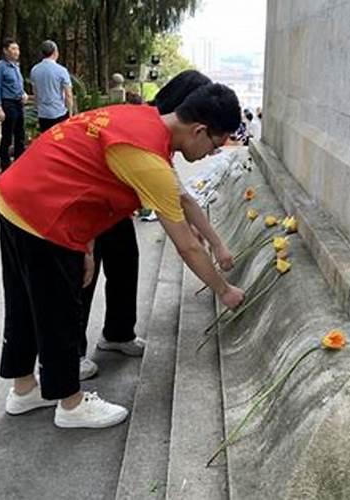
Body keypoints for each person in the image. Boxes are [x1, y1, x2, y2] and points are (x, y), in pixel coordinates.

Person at [0, 83, 245, 429]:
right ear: (199, 130)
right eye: (215, 144)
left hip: (17, 195)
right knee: (59, 308)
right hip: (45, 212)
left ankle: (23, 390)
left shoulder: (143, 121)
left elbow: (85, 171)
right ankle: (70, 403)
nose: (212, 153)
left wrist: (86, 245)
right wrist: (224, 290)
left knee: (23, 300)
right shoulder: (148, 160)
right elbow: (186, 245)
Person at [77, 70, 234, 381]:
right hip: (87, 207)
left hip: (115, 208)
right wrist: (223, 289)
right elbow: (184, 240)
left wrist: (215, 241)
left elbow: (182, 196)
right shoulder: (147, 130)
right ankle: (71, 354)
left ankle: (118, 332)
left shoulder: (168, 134)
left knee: (125, 260)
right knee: (83, 276)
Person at [0, 38, 27, 171]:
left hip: (18, 102)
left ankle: (20, 165)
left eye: (17, 49)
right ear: (5, 51)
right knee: (7, 135)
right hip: (7, 103)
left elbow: (18, 84)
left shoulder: (16, 66)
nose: (16, 52)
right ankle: (5, 166)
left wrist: (24, 93)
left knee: (20, 135)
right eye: (13, 49)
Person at [30, 40, 73, 133]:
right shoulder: (61, 70)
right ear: (55, 52)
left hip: (43, 113)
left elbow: (35, 93)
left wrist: (36, 110)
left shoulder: (35, 70)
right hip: (59, 111)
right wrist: (70, 112)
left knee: (47, 140)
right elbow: (68, 94)